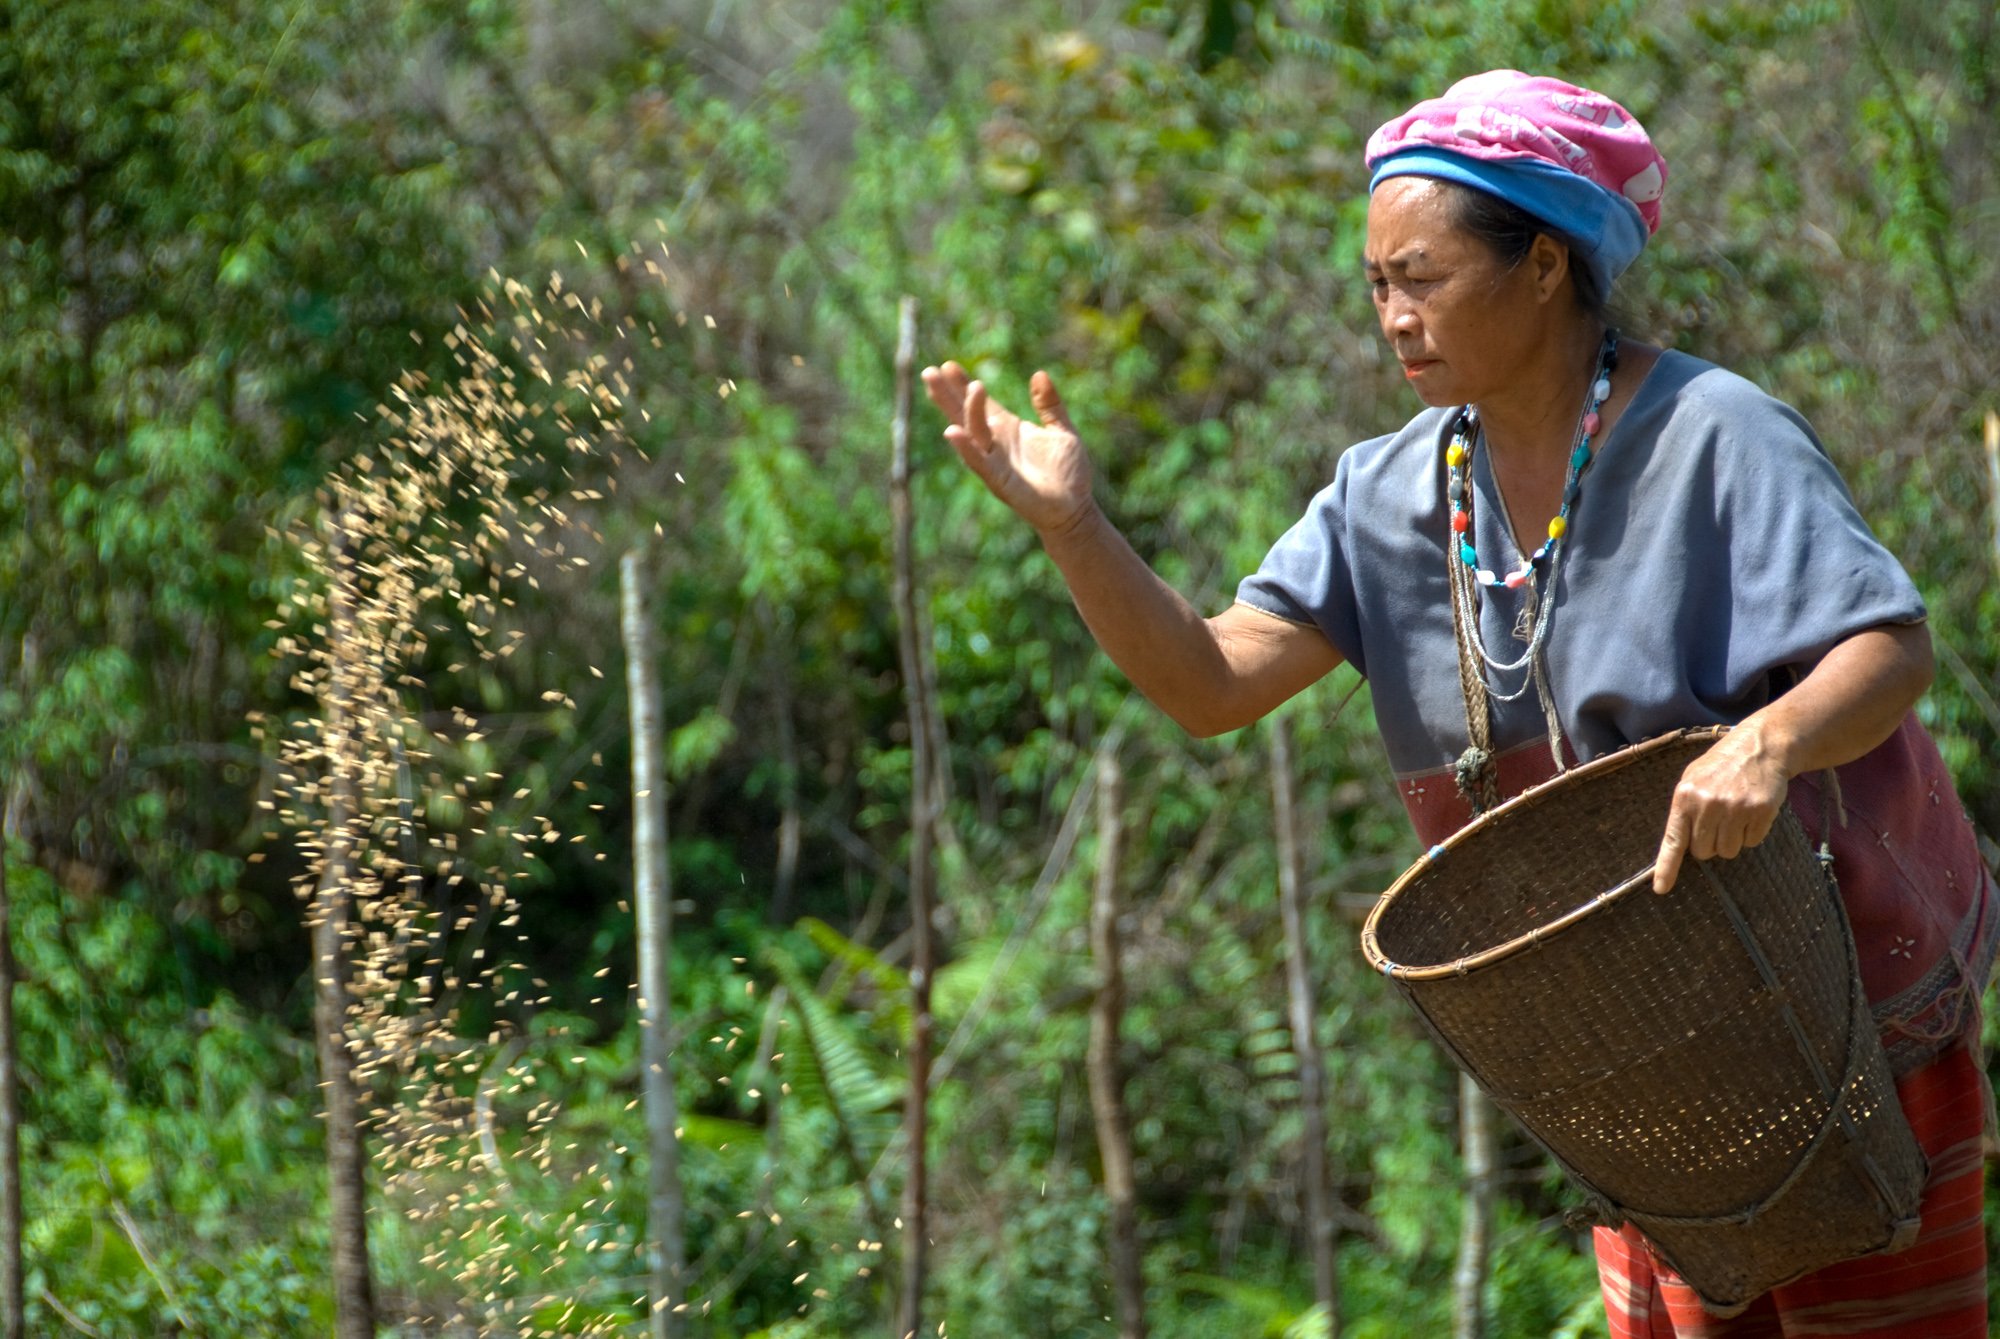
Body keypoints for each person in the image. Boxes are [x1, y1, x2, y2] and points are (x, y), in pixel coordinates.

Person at [923, 70, 1997, 1339]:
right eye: (1377, 283)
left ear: (1542, 264)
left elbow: (1887, 648)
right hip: (1642, 1067)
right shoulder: (1384, 496)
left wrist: (1765, 741)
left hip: (1829, 1036)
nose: (1392, 314)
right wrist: (1074, 527)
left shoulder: (1714, 436)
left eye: (1420, 276)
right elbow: (1209, 684)